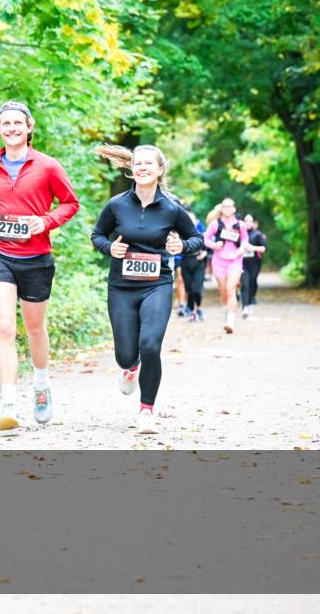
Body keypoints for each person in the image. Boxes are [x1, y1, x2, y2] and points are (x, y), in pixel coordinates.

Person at [0, 101, 80, 432]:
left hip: (36, 259)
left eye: (18, 123)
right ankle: (9, 403)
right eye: (6, 124)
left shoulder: (47, 167)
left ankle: (41, 387)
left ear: (29, 126)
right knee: (4, 327)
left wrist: (45, 222)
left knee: (34, 328)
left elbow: (70, 203)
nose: (12, 128)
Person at [91, 144, 204, 434]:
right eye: (138, 163)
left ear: (160, 169)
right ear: (132, 168)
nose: (142, 167)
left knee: (150, 345)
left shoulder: (171, 207)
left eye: (148, 164)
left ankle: (146, 412)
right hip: (121, 286)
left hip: (158, 284)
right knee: (125, 355)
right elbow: (97, 235)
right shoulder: (116, 205)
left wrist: (182, 246)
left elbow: (197, 239)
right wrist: (109, 249)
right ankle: (131, 367)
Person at [202, 198, 247, 333]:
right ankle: (227, 307)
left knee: (230, 289)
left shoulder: (240, 224)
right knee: (223, 292)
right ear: (221, 209)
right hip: (219, 261)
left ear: (234, 209)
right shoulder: (215, 224)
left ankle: (230, 322)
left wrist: (242, 248)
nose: (227, 209)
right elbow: (205, 238)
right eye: (225, 206)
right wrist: (214, 245)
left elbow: (245, 239)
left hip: (235, 261)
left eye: (230, 206)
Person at [179, 206, 207, 322]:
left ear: (196, 221)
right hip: (185, 262)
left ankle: (199, 308)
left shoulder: (200, 233)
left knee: (197, 290)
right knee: (189, 289)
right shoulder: (181, 233)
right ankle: (191, 311)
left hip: (198, 262)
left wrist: (204, 253)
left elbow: (207, 247)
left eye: (192, 220)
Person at [240, 214, 268, 317]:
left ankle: (251, 299)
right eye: (245, 221)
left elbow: (264, 248)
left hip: (255, 263)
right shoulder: (239, 234)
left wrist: (253, 248)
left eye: (250, 221)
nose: (247, 223)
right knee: (244, 284)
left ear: (253, 223)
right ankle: (245, 306)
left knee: (252, 282)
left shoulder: (257, 234)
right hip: (242, 263)